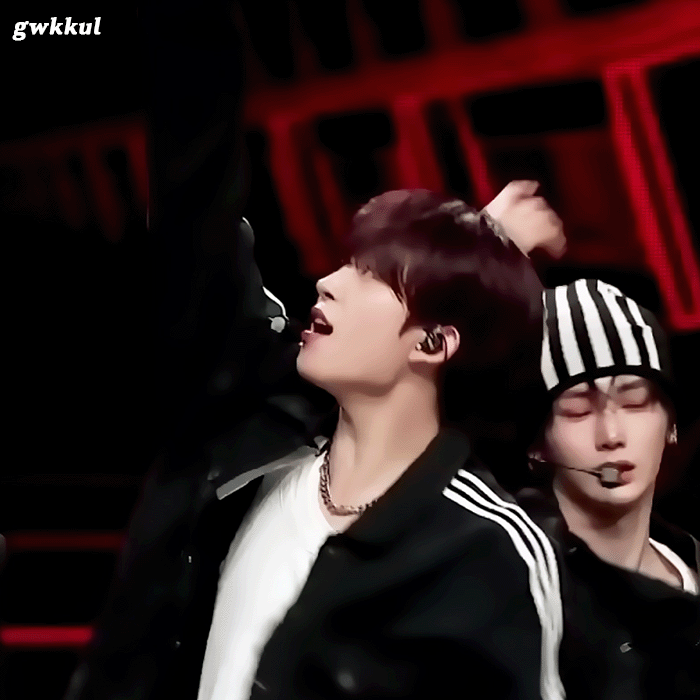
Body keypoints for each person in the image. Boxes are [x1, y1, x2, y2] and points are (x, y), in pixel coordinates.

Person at [521, 278, 700, 699]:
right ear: (536, 443)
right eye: (577, 410)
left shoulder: (692, 570)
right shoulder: (513, 587)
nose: (612, 435)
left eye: (635, 402)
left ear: (671, 422)